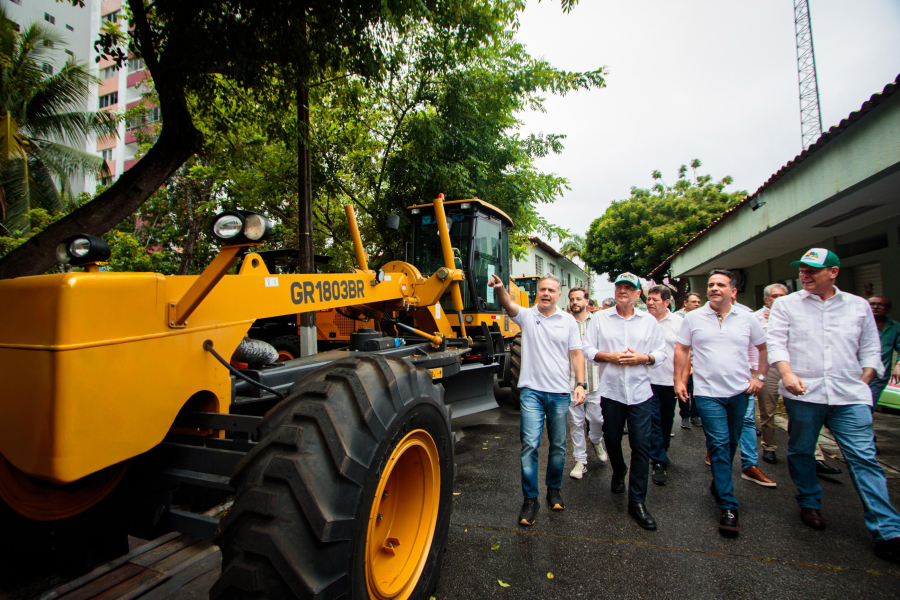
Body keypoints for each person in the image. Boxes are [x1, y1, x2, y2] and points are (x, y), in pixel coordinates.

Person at [767, 249, 900, 563]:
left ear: (834, 272)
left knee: (864, 458)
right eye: (802, 270)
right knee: (801, 451)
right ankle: (810, 501)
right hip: (804, 394)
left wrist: (866, 376)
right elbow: (776, 342)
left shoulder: (857, 307)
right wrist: (786, 374)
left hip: (849, 395)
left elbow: (871, 346)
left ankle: (887, 529)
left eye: (813, 270)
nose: (805, 275)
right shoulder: (787, 305)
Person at [674, 269, 767, 537]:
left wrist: (759, 377)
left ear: (733, 291)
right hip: (708, 392)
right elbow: (682, 349)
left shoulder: (748, 318)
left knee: (732, 442)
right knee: (718, 443)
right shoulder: (693, 318)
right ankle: (728, 505)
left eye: (720, 285)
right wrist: (679, 380)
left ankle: (719, 482)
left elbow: (763, 347)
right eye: (711, 284)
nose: (714, 288)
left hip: (740, 392)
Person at [488, 273, 586, 527]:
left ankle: (554, 489)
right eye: (542, 289)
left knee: (558, 446)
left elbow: (576, 354)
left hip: (559, 393)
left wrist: (580, 383)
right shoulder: (527, 316)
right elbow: (509, 305)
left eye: (551, 290)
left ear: (558, 295)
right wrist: (500, 288)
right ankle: (530, 499)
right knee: (529, 445)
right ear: (536, 292)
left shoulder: (567, 321)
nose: (545, 293)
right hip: (531, 391)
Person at [583, 273, 667, 530]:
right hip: (611, 391)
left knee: (642, 445)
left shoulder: (648, 321)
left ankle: (637, 502)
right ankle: (619, 470)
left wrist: (645, 358)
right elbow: (586, 348)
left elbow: (661, 352)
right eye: (620, 286)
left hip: (641, 393)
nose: (623, 291)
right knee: (611, 438)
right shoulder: (600, 318)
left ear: (638, 294)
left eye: (629, 288)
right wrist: (608, 356)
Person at [567, 287, 608, 480]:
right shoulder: (565, 322)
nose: (575, 302)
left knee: (598, 420)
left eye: (578, 299)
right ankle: (580, 460)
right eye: (572, 299)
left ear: (586, 301)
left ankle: (596, 440)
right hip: (572, 382)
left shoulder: (598, 321)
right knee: (576, 423)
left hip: (596, 382)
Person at [645, 284, 683, 486]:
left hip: (670, 380)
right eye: (648, 299)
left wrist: (682, 380)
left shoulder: (678, 322)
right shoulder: (643, 321)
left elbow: (684, 352)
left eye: (655, 300)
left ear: (667, 302)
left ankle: (662, 450)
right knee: (653, 420)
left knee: (667, 420)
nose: (650, 303)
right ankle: (658, 461)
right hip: (647, 380)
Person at [755, 283, 789, 464]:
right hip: (769, 368)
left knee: (801, 411)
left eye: (782, 295)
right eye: (774, 296)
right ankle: (769, 447)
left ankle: (814, 455)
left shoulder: (795, 314)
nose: (779, 299)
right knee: (767, 411)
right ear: (766, 299)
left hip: (792, 367)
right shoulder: (757, 318)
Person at [677, 292, 704, 429]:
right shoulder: (678, 318)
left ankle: (695, 414)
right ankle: (685, 415)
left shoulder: (703, 318)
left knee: (697, 389)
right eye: (694, 301)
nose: (697, 304)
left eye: (698, 302)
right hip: (685, 360)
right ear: (685, 303)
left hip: (700, 361)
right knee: (685, 388)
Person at [868, 295, 900, 409]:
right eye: (872, 304)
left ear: (889, 309)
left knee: (867, 406)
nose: (875, 307)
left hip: (879, 376)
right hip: (856, 375)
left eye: (880, 304)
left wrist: (898, 365)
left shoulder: (895, 327)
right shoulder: (858, 324)